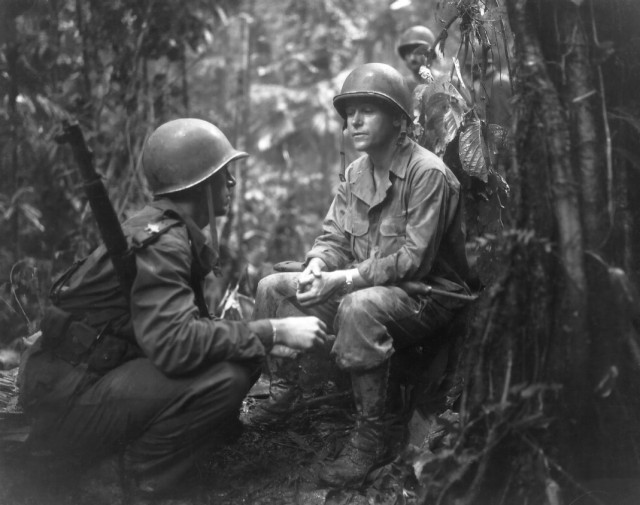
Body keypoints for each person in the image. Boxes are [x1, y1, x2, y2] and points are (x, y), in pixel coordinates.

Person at [18, 118, 328, 501]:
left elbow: (176, 329)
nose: (231, 183)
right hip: (66, 400)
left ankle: (184, 448)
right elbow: (174, 345)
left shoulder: (166, 228)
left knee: (241, 353)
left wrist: (257, 339)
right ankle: (128, 480)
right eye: (222, 173)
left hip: (81, 381)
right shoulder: (166, 243)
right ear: (197, 185)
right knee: (227, 376)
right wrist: (275, 332)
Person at [251, 63, 471, 487]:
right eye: (349, 111)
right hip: (373, 287)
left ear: (399, 120)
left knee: (358, 306)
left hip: (427, 296)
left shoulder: (428, 174)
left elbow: (413, 260)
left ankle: (370, 438)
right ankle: (282, 391)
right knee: (274, 286)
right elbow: (334, 237)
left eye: (367, 110)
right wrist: (317, 265)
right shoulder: (356, 173)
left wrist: (342, 280)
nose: (353, 121)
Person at [396, 25, 437, 93]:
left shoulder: (448, 82)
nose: (412, 58)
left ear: (430, 54)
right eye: (408, 53)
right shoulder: (403, 87)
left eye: (418, 52)